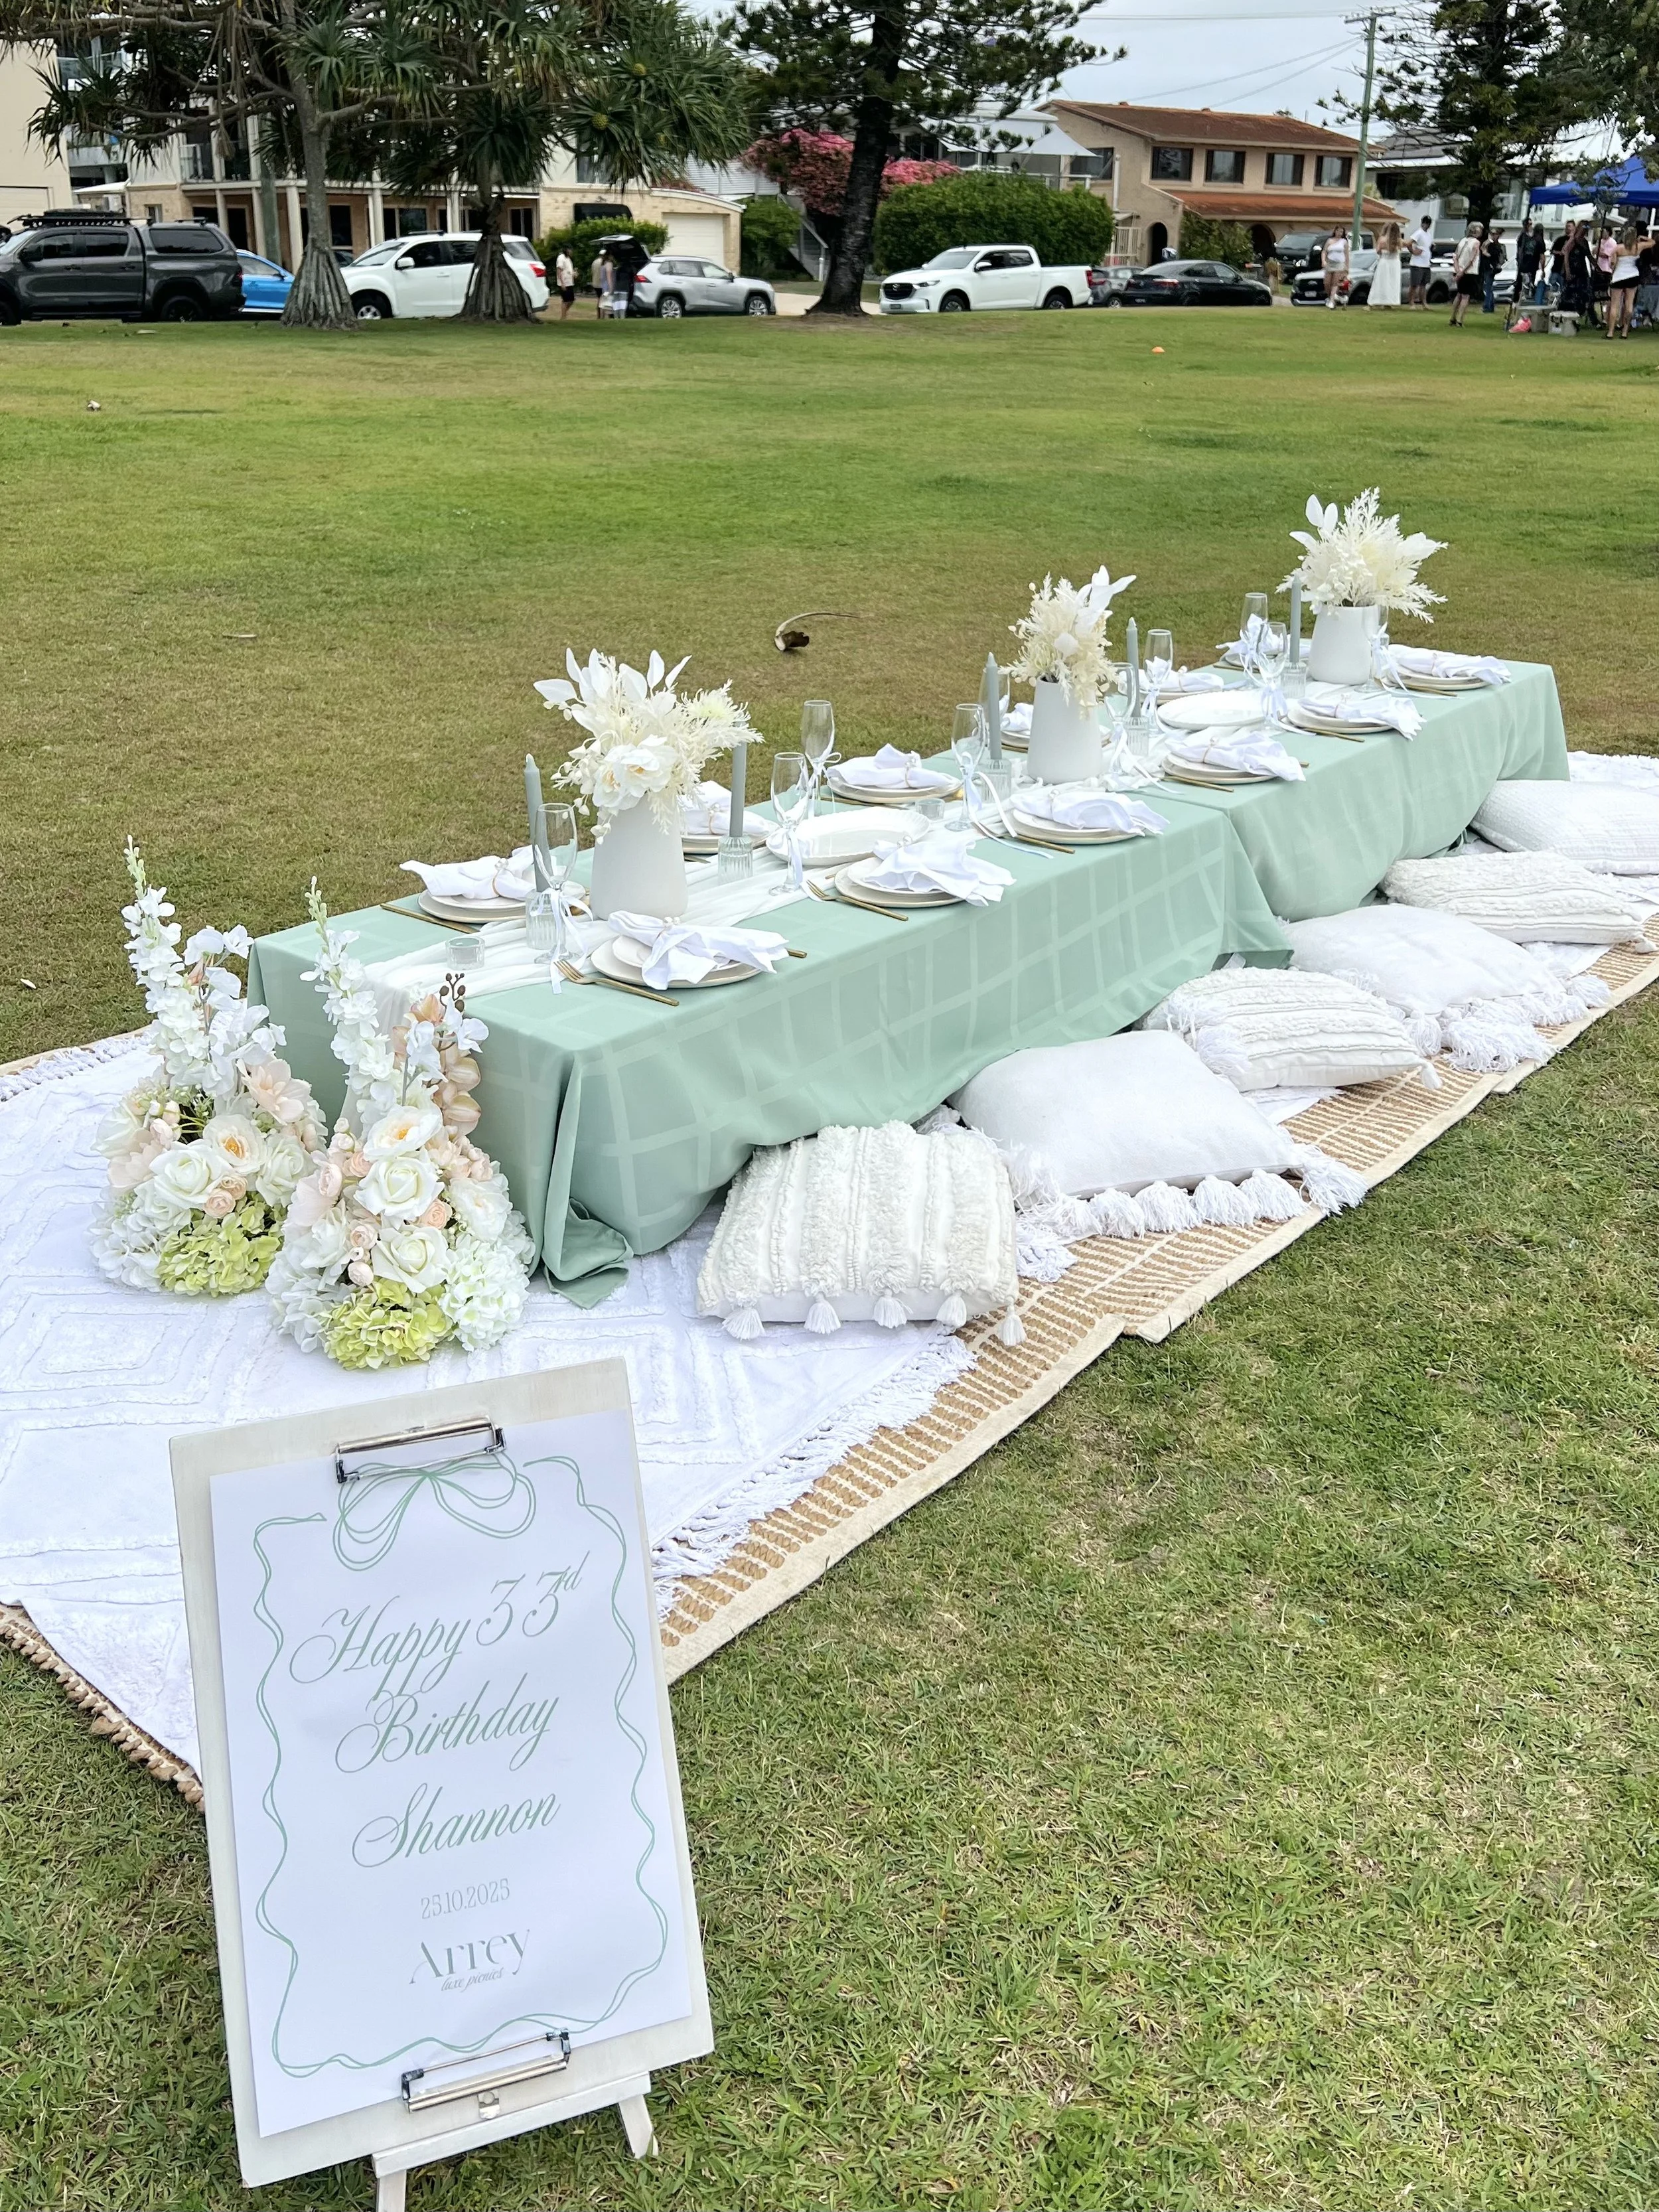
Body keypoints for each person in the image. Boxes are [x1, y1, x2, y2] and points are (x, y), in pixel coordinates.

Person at [1607, 223, 1641, 338]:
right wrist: (1641, 238)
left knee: (1615, 305)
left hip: (1619, 277)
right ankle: (1625, 331)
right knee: (1629, 304)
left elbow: (1612, 264)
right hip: (1633, 275)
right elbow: (1653, 242)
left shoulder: (1618, 248)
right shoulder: (1638, 247)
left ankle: (1610, 332)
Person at [1449, 220, 1483, 326]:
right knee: (1465, 296)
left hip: (1460, 270)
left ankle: (1452, 318)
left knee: (1459, 294)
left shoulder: (1462, 241)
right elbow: (1472, 259)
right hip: (1469, 272)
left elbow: (1456, 257)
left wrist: (1458, 270)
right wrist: (1463, 271)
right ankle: (1460, 319)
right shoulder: (1476, 243)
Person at [1368, 220, 1403, 309]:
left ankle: (1375, 302)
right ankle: (1389, 302)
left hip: (1384, 262)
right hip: (1395, 264)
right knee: (1392, 283)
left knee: (1381, 282)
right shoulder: (1399, 241)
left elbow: (1378, 251)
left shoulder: (1382, 240)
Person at [1515, 217, 1544, 305]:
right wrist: (1519, 261)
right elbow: (1519, 250)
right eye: (1528, 224)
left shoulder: (1538, 239)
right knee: (1520, 285)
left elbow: (1542, 255)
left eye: (1531, 224)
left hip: (1532, 266)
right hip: (1523, 265)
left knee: (1529, 284)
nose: (1530, 226)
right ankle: (1518, 301)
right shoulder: (1522, 237)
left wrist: (1543, 269)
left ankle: (1527, 301)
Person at [1407, 216, 1433, 306]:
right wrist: (1413, 252)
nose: (1426, 225)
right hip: (1417, 263)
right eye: (1425, 223)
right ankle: (1411, 302)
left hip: (1426, 263)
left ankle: (1424, 302)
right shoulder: (1419, 233)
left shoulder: (1428, 234)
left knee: (1423, 285)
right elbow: (1409, 243)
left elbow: (1427, 246)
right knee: (1414, 284)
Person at [1321, 224, 1349, 306]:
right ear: (1335, 231)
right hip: (1330, 263)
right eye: (1338, 231)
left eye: (1341, 232)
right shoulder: (1330, 241)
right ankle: (1331, 297)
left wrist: (1347, 267)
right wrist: (1324, 261)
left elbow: (1347, 255)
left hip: (1339, 264)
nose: (1340, 233)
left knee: (1335, 282)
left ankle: (1332, 301)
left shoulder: (1344, 242)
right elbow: (1324, 251)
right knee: (1327, 282)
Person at [1480, 225, 1506, 314]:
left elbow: (1492, 255)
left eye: (1494, 234)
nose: (1492, 235)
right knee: (1489, 288)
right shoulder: (1492, 244)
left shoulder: (1494, 246)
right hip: (1490, 268)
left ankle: (1487, 307)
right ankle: (1490, 306)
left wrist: (1484, 252)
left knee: (1488, 288)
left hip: (1491, 268)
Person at [553, 247, 576, 319]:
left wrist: (574, 274)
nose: (571, 252)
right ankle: (563, 317)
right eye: (570, 250)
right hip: (564, 282)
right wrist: (562, 283)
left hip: (570, 282)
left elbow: (568, 270)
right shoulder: (561, 258)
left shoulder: (568, 259)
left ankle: (564, 314)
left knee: (571, 300)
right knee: (566, 300)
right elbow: (559, 271)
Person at [595, 251, 614, 319]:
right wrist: (611, 287)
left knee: (602, 303)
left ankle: (601, 317)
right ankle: (606, 317)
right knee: (607, 304)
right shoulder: (609, 264)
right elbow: (609, 276)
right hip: (607, 286)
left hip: (603, 285)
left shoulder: (603, 264)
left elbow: (601, 277)